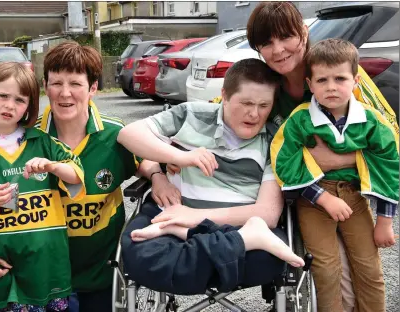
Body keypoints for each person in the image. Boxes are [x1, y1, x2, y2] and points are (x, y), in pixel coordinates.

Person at [0, 41, 180, 312]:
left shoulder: (114, 135)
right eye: (56, 83)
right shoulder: (22, 138)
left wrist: (158, 175)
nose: (65, 93)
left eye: (76, 84)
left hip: (100, 275)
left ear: (93, 88)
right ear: (45, 86)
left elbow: (143, 157)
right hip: (39, 277)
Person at [116, 58, 306, 296]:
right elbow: (128, 134)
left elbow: (267, 214)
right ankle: (244, 240)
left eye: (264, 105)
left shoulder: (273, 139)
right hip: (183, 215)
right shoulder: (192, 115)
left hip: (231, 223)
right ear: (224, 95)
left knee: (266, 260)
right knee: (139, 252)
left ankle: (186, 239)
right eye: (246, 102)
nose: (255, 114)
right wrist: (178, 159)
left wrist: (191, 218)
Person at [0, 62, 86, 312]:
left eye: (20, 100)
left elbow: (76, 174)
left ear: (29, 108)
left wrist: (53, 167)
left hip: (47, 266)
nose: (10, 105)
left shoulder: (44, 143)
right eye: (3, 96)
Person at [270, 38, 398, 312]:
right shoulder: (299, 120)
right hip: (313, 201)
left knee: (369, 266)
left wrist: (385, 220)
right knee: (326, 270)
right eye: (322, 80)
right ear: (310, 83)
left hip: (354, 199)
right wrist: (323, 198)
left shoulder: (372, 120)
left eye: (340, 78)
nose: (330, 87)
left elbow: (390, 164)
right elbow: (284, 162)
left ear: (355, 81)